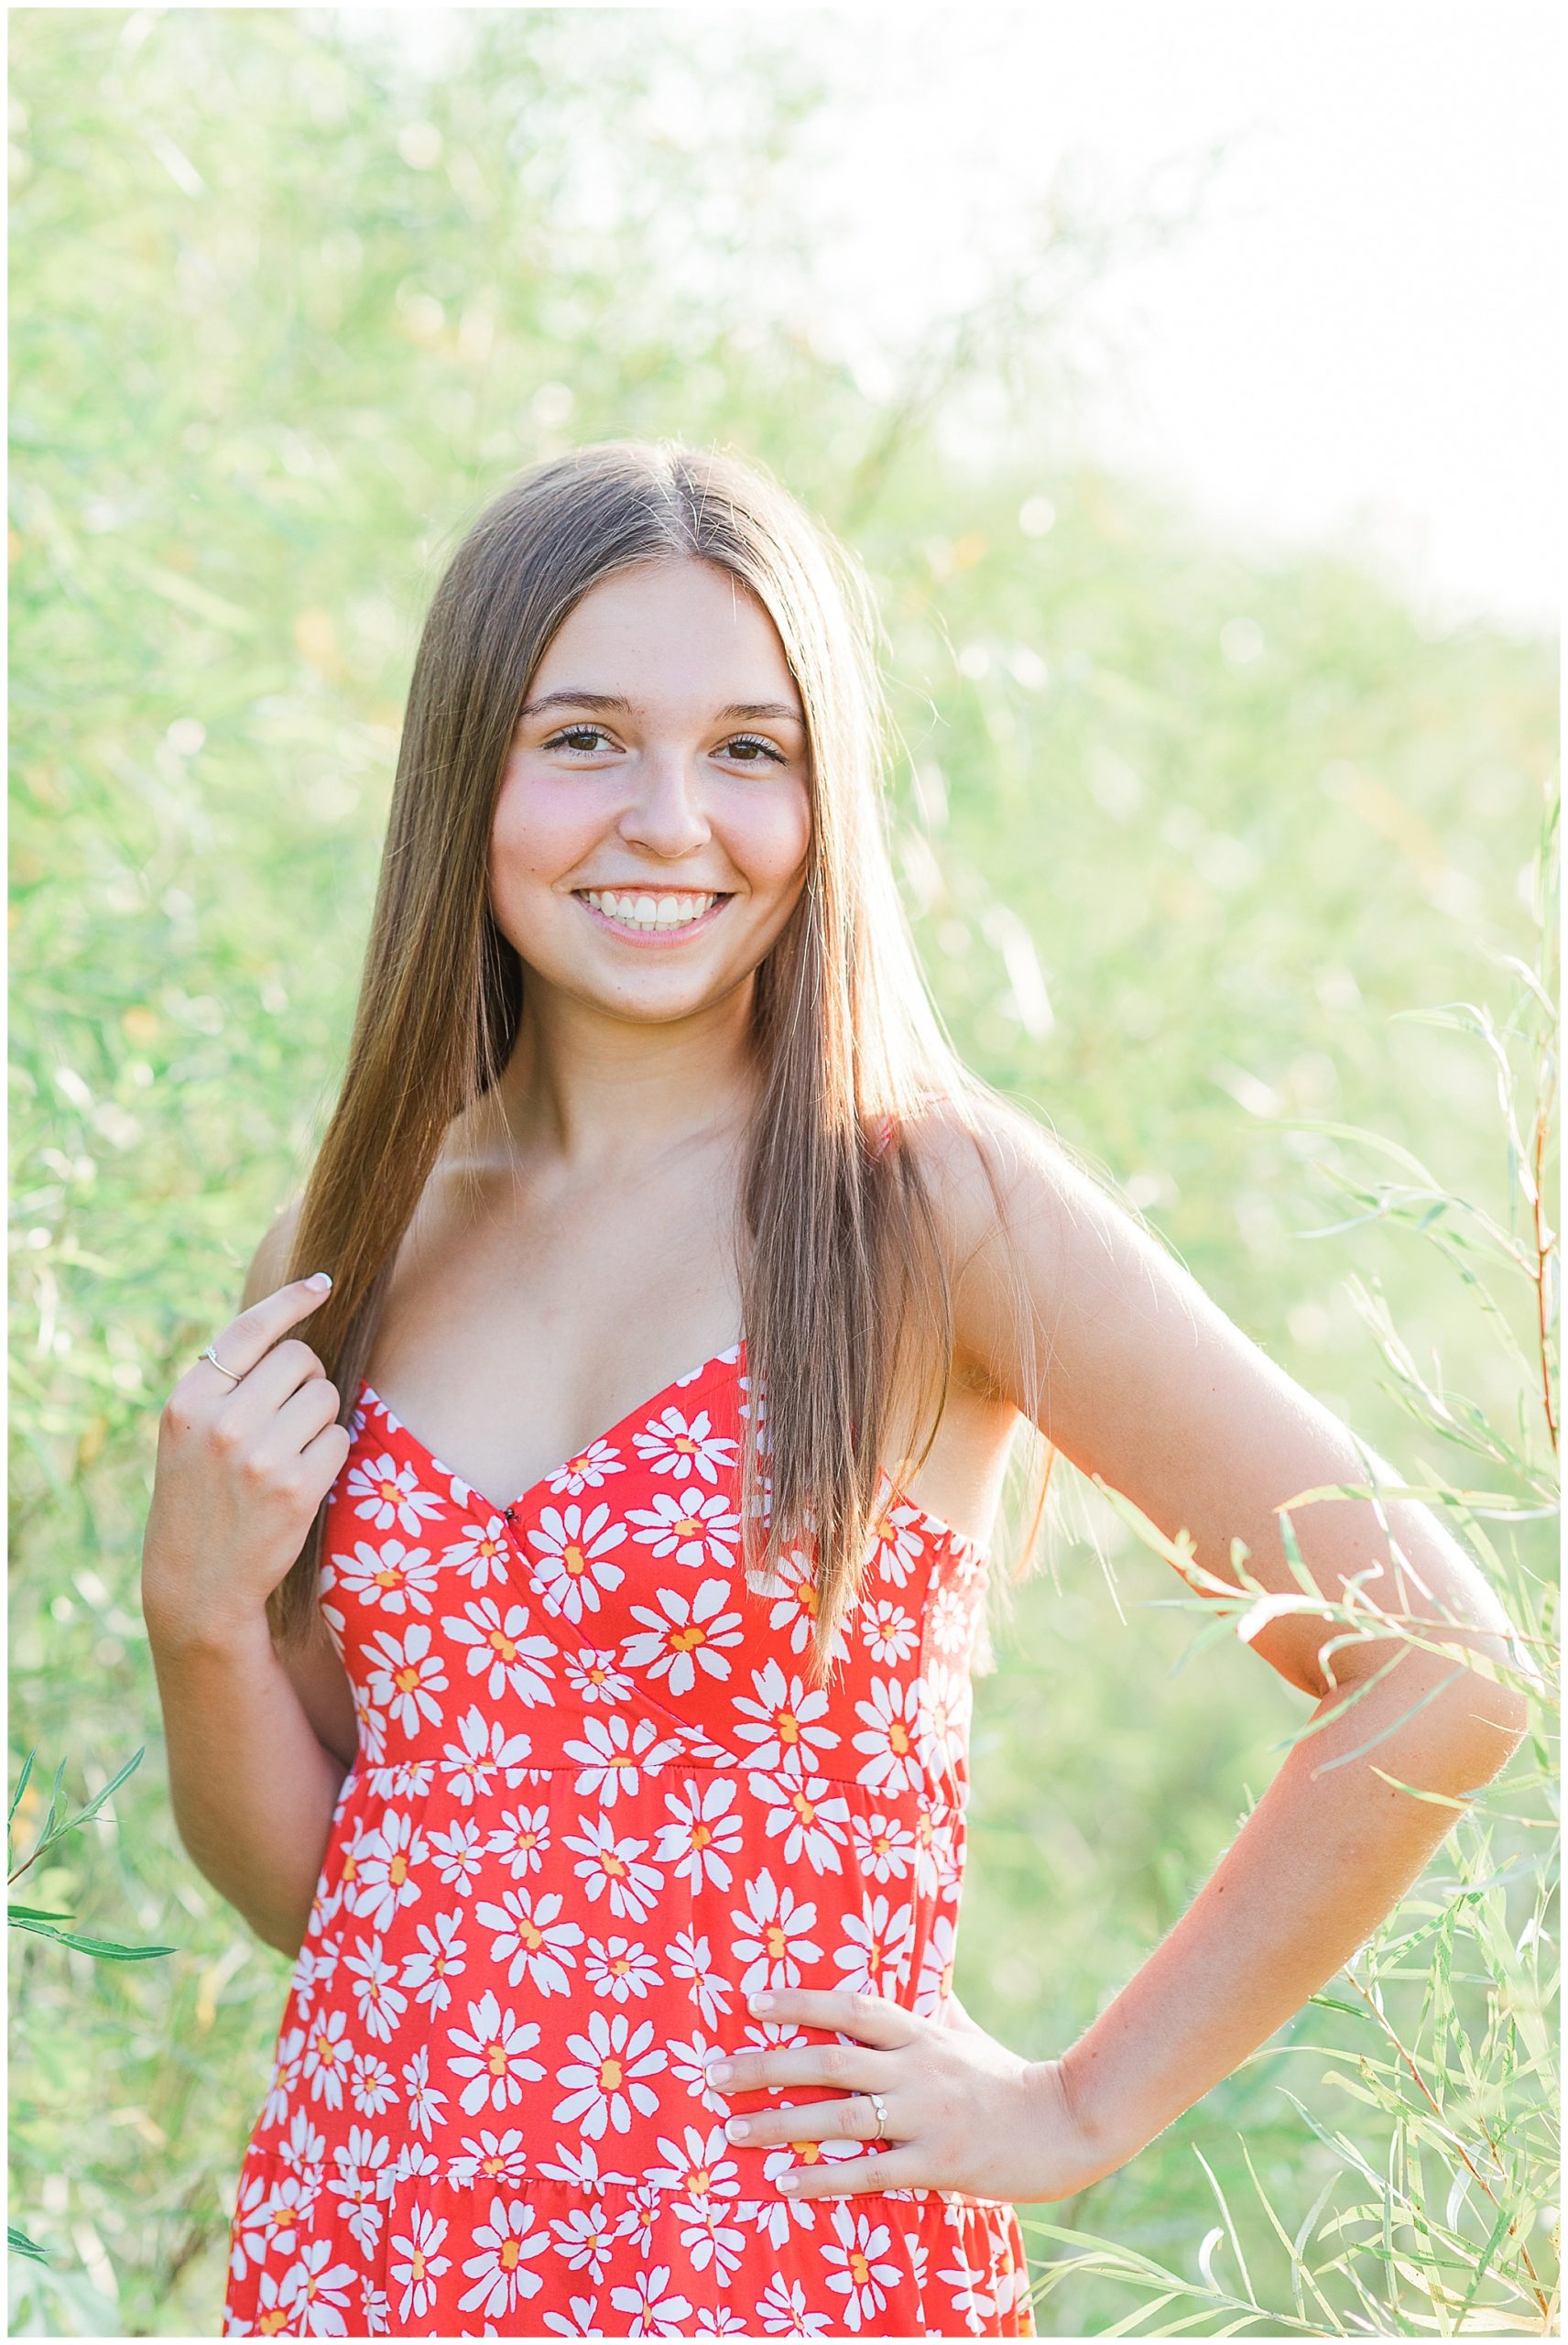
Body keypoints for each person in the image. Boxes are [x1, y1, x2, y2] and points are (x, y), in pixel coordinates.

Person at [141, 441, 1533, 2340]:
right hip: (369, 2242)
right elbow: (344, 1892)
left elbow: (1435, 1657)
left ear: (825, 797)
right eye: (582, 738)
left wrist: (1076, 2103)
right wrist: (201, 1621)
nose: (666, 819)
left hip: (779, 2269)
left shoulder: (922, 1203)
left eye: (747, 749)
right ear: (464, 766)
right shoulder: (361, 1225)